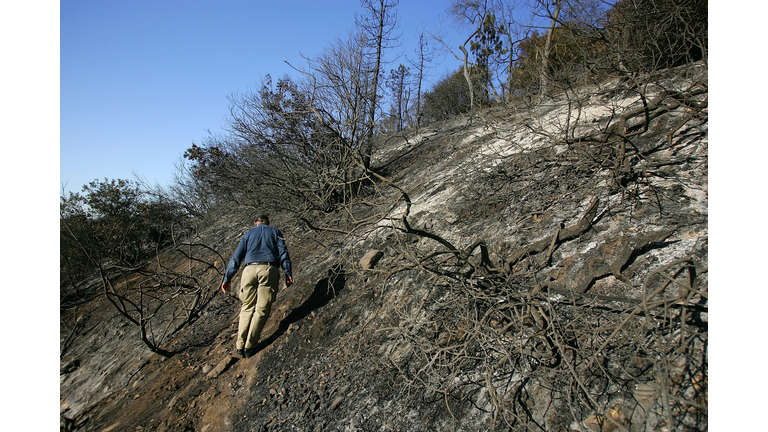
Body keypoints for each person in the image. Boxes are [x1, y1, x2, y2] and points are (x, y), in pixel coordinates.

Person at [221, 214, 294, 358]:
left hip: (249, 271)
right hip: (268, 269)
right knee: (262, 308)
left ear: (255, 223)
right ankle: (250, 345)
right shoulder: (275, 231)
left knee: (247, 307)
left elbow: (236, 258)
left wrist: (227, 278)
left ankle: (240, 345)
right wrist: (288, 272)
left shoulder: (248, 234)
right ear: (268, 222)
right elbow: (283, 253)